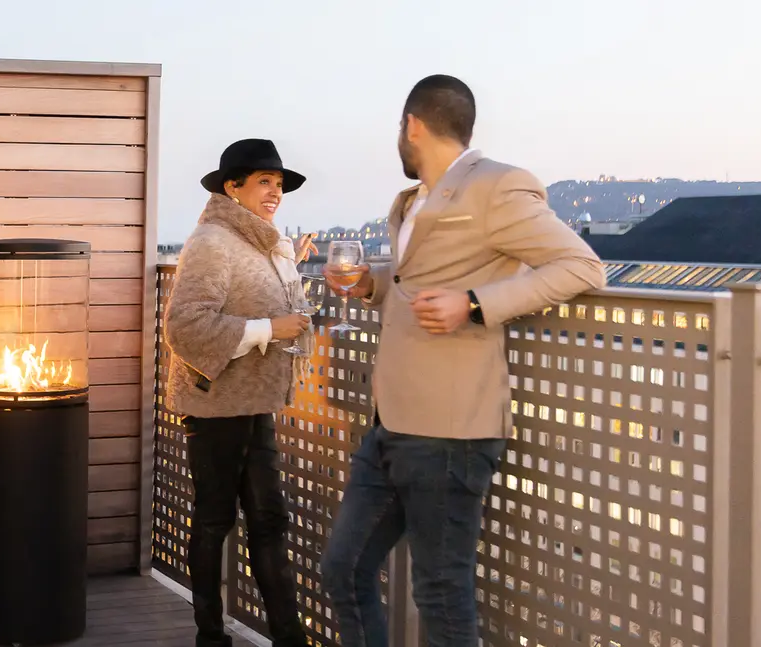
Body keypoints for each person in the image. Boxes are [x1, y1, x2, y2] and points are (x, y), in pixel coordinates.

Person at [319, 75, 606, 646]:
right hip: (391, 422)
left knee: (441, 594)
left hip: (451, 431)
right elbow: (413, 283)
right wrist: (368, 286)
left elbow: (582, 267)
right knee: (343, 570)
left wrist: (476, 304)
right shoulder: (411, 202)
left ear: (412, 127)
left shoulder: (498, 186)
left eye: (398, 130)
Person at [163, 138, 315, 647]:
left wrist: (291, 274)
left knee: (270, 520)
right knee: (214, 521)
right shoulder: (212, 240)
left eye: (278, 184)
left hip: (255, 401)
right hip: (215, 404)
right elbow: (185, 326)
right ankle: (211, 638)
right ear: (233, 187)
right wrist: (272, 328)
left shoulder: (263, 243)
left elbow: (266, 303)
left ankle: (288, 639)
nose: (275, 192)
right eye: (264, 182)